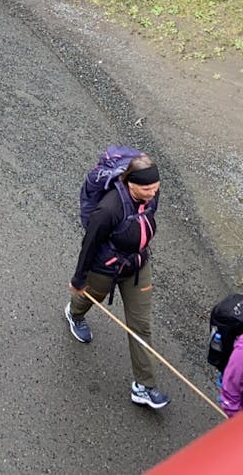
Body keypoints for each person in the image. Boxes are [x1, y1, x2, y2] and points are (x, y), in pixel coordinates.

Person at [65, 152, 168, 409]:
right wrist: (79, 279)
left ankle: (144, 386)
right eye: (147, 188)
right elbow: (89, 244)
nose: (153, 193)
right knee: (90, 298)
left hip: (137, 265)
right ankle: (74, 313)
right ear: (129, 183)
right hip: (105, 267)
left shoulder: (150, 197)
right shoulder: (108, 209)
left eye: (156, 188)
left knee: (141, 324)